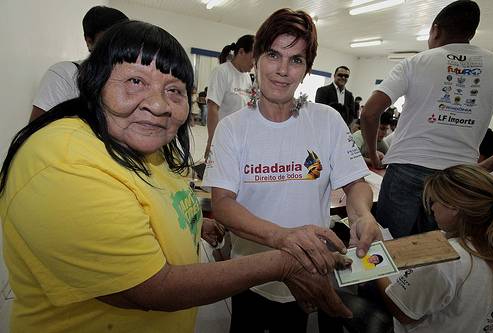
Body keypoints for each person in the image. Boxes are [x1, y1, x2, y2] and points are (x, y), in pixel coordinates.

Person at [0, 20, 354, 333]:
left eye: (174, 90)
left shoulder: (148, 148)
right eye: (136, 81)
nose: (158, 104)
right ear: (95, 82)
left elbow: (150, 203)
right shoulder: (64, 162)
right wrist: (286, 261)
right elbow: (152, 288)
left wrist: (195, 221)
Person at [203, 8, 381, 333]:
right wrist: (283, 237)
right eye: (273, 55)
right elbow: (223, 204)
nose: (283, 70)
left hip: (308, 273)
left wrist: (363, 216)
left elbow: (355, 183)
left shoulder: (326, 121)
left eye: (296, 60)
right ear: (256, 59)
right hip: (249, 274)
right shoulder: (233, 128)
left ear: (306, 69)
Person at [361, 0, 493, 238]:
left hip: (406, 170)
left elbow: (370, 112)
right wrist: (485, 168)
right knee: (436, 252)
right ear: (472, 33)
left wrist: (374, 155)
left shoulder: (417, 62)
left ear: (435, 30)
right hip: (457, 179)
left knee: (388, 246)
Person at [375, 164, 493, 333]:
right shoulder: (490, 245)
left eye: (434, 201)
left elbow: (403, 311)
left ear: (454, 207)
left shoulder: (449, 260)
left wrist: (377, 261)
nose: (432, 208)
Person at [29, 5, 128, 122]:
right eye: (108, 42)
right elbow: (37, 131)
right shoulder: (64, 74)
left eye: (123, 41)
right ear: (89, 41)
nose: (117, 49)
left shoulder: (131, 79)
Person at [204, 34, 255, 160]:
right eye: (253, 57)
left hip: (240, 139)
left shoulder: (247, 77)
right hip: (223, 137)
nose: (255, 62)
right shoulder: (221, 72)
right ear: (241, 52)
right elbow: (213, 108)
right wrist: (212, 141)